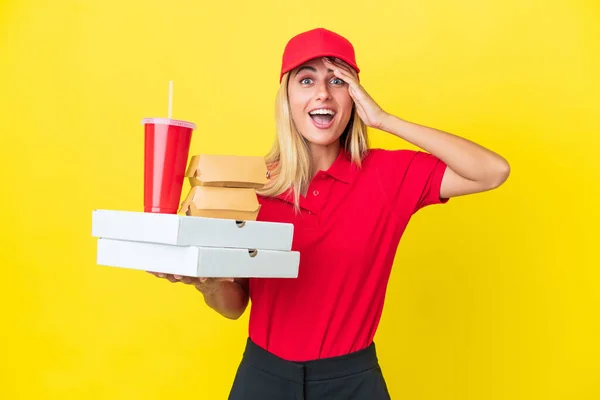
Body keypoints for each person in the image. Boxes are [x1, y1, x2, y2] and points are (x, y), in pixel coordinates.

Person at [150, 27, 510, 399]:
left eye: (337, 80)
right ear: (287, 98)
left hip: (352, 381)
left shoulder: (389, 176)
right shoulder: (253, 184)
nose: (322, 92)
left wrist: (384, 120)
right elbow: (235, 306)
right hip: (263, 378)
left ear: (355, 98)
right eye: (306, 80)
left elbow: (492, 171)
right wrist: (206, 282)